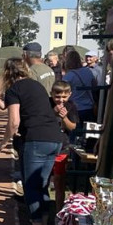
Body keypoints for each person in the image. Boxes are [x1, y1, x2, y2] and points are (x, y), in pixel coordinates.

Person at [0, 58, 66, 225]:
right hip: (54, 138)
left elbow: (14, 121)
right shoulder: (38, 86)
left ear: (8, 73)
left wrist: (5, 140)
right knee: (42, 184)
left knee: (31, 186)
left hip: (36, 139)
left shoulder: (14, 90)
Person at [49, 81, 79, 211]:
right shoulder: (46, 104)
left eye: (64, 97)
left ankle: (58, 212)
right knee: (42, 180)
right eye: (57, 96)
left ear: (69, 95)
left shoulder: (71, 106)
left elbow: (72, 127)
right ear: (52, 94)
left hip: (62, 147)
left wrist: (64, 118)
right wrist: (52, 113)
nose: (60, 100)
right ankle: (42, 210)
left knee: (59, 182)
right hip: (46, 147)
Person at [62, 48, 99, 125]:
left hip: (75, 109)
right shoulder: (88, 71)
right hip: (89, 108)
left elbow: (63, 94)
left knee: (75, 133)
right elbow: (94, 88)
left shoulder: (68, 76)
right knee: (88, 134)